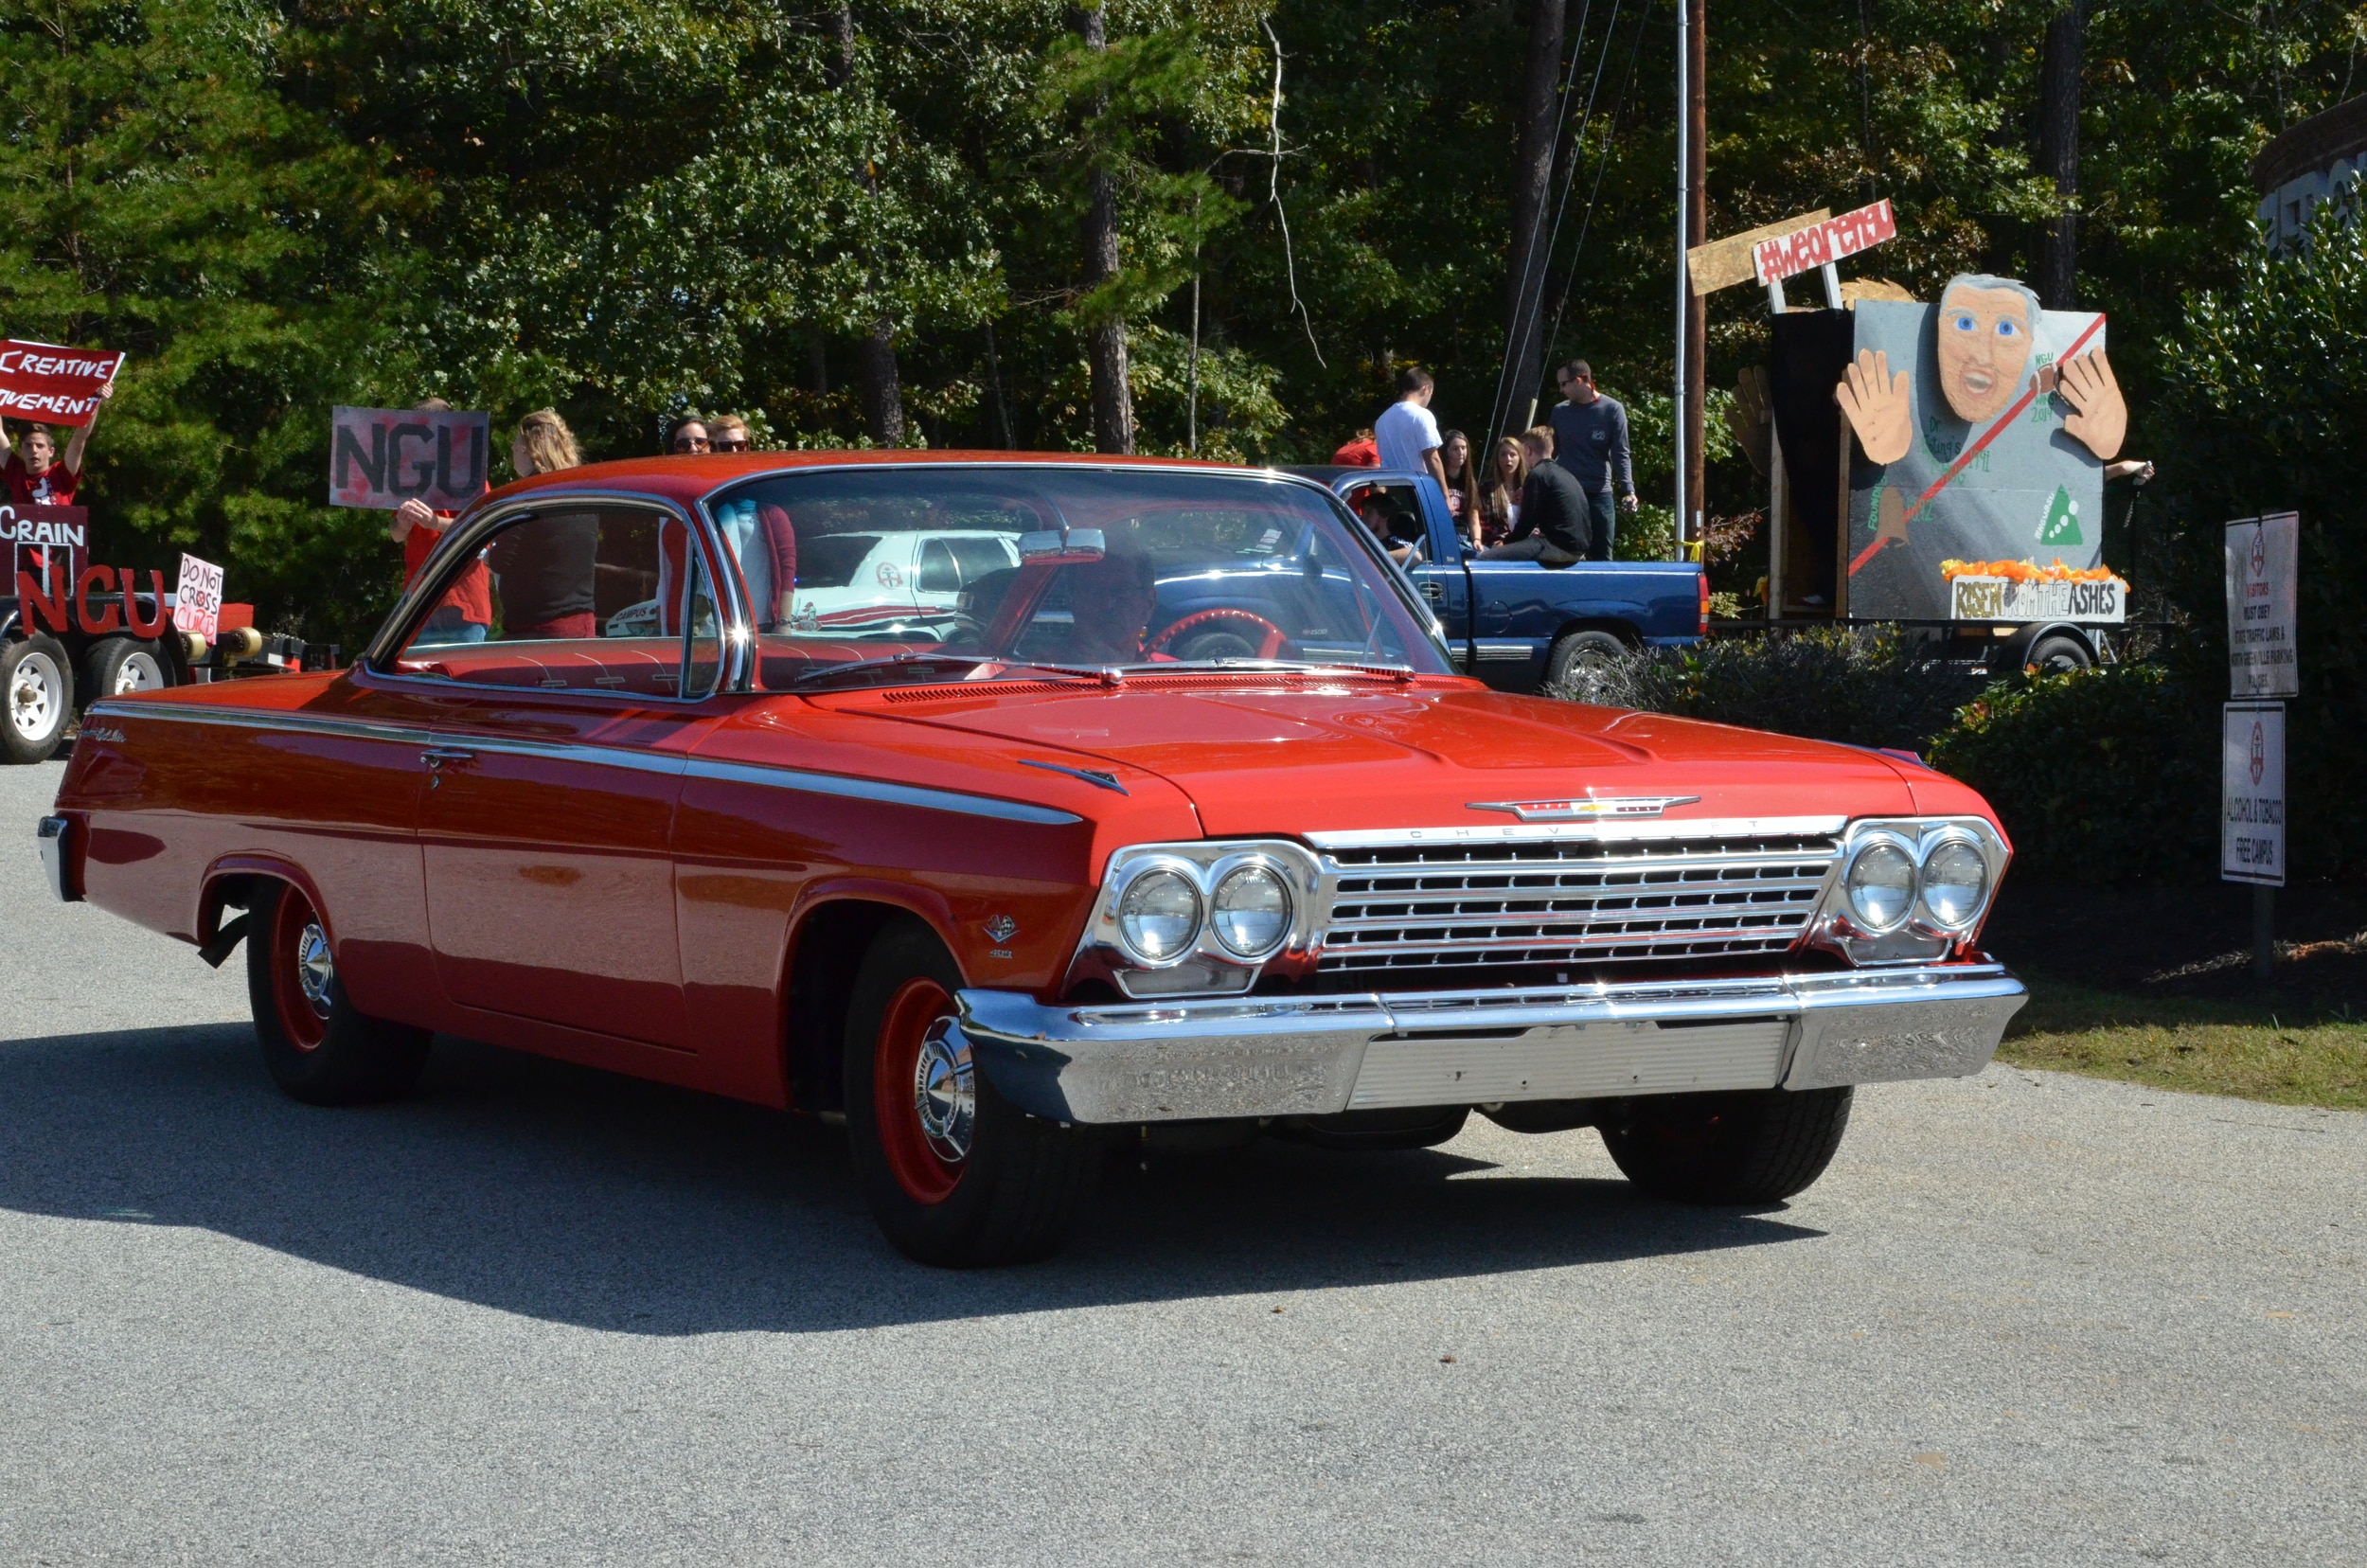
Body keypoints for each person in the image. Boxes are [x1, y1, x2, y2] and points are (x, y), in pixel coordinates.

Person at [486, 410, 600, 640]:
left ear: (529, 448)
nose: (512, 450)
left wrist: (487, 556)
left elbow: (501, 560)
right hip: (584, 623)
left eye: (516, 443)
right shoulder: (584, 494)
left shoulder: (527, 495)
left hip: (538, 628)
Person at [390, 398, 492, 645]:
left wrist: (435, 523)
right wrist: (402, 525)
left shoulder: (471, 476)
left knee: (461, 681)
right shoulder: (408, 475)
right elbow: (395, 534)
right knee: (421, 682)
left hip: (463, 600)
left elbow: (483, 532)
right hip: (420, 599)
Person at [1545, 361, 1635, 561]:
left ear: (1579, 380)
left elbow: (1621, 453)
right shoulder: (1560, 412)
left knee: (1602, 556)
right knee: (1563, 553)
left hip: (1599, 494)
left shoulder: (1612, 410)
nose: (1561, 390)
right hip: (1567, 493)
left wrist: (1629, 490)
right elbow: (1548, 453)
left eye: (1564, 384)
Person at [1480, 426, 1588, 565]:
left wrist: (1505, 544)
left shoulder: (1536, 475)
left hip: (1557, 547)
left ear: (1528, 450)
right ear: (1551, 449)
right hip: (1579, 548)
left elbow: (1526, 523)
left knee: (1485, 558)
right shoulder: (1565, 475)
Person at [4, 377, 114, 506]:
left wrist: (96, 400)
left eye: (40, 446)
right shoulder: (16, 472)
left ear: (51, 451)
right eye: (28, 445)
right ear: (21, 450)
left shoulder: (61, 474)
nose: (34, 450)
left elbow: (79, 439)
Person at [1373, 368, 1448, 490]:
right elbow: (1432, 458)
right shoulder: (1421, 415)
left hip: (1393, 490)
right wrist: (1444, 495)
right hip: (1418, 489)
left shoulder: (1382, 420)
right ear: (1426, 388)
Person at [1475, 435, 1526, 547]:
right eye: (1503, 454)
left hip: (1525, 543)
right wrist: (1502, 541)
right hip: (1497, 544)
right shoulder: (1486, 488)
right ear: (1497, 458)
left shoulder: (1529, 487)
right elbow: (1483, 524)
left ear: (1520, 458)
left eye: (1513, 455)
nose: (1508, 459)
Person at [1437, 429, 1478, 548]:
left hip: (1465, 536)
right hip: (1445, 536)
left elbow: (1473, 515)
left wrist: (1476, 540)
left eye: (1464, 448)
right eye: (1455, 449)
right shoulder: (1438, 480)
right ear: (1446, 451)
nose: (1461, 452)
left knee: (1486, 556)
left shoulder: (1469, 481)